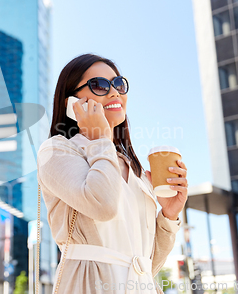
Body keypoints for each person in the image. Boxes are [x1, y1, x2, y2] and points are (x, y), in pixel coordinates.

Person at [36, 54, 188, 294]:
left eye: (118, 84)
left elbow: (146, 265)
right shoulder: (57, 150)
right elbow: (102, 205)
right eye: (99, 85)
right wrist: (100, 138)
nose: (115, 92)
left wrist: (168, 215)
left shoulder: (135, 170)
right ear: (72, 102)